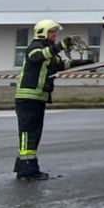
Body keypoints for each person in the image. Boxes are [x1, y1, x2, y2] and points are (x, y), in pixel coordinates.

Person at [13, 19, 70, 181]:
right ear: (43, 32)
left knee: (34, 133)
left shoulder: (49, 51)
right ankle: (27, 169)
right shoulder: (35, 47)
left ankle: (24, 166)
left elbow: (61, 65)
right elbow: (38, 57)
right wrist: (61, 46)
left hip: (38, 98)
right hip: (27, 98)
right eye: (52, 32)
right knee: (27, 133)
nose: (55, 35)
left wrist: (86, 62)